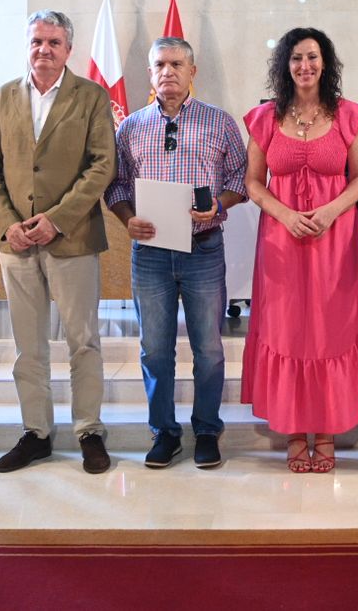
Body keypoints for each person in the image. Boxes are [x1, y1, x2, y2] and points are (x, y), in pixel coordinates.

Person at [0, 10, 117, 475]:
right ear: (27, 44)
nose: (44, 50)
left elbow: (101, 166)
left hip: (71, 239)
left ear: (68, 49)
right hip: (15, 243)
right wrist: (7, 222)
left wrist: (56, 220)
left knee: (83, 341)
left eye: (54, 42)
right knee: (28, 346)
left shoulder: (91, 96)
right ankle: (36, 432)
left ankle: (89, 431)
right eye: (37, 41)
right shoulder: (1, 98)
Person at [241, 27, 358, 472]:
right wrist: (284, 215)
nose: (305, 66)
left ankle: (326, 433)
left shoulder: (348, 115)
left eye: (313, 57)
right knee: (288, 332)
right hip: (281, 244)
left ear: (326, 63)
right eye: (297, 58)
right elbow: (252, 182)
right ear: (285, 65)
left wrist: (331, 211)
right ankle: (295, 433)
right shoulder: (264, 118)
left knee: (329, 331)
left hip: (335, 242)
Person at [107, 37, 248, 470]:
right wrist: (126, 218)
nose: (167, 72)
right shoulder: (130, 126)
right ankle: (163, 433)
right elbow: (116, 185)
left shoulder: (219, 122)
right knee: (154, 348)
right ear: (149, 74)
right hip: (149, 252)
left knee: (208, 347)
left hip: (203, 249)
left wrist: (219, 205)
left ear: (192, 72)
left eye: (175, 64)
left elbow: (241, 179)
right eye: (159, 65)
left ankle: (206, 429)